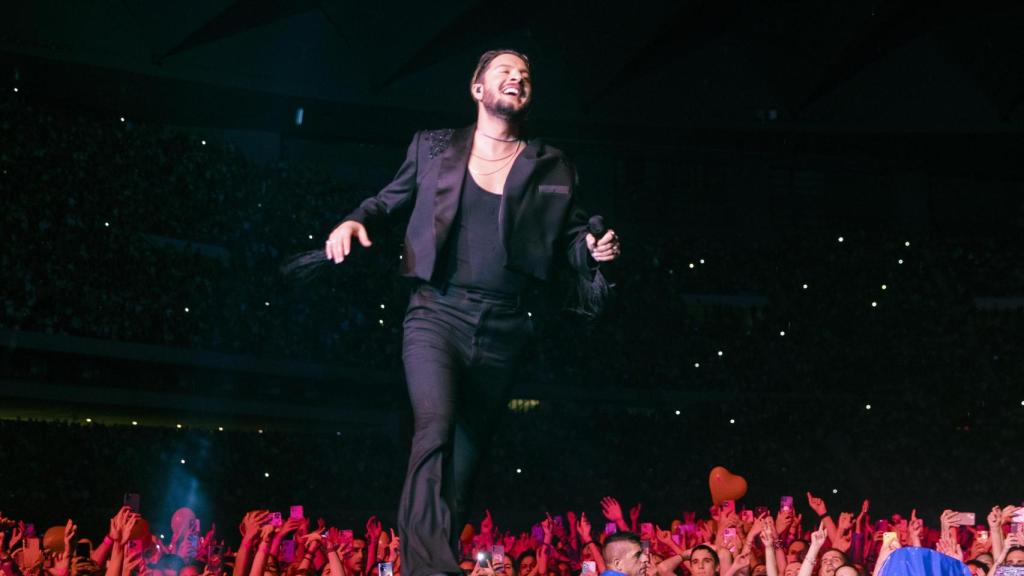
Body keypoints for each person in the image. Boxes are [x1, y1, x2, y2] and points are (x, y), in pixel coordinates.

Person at [324, 48, 620, 576]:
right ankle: (428, 567)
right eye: (504, 71)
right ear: (478, 89)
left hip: (506, 327)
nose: (517, 78)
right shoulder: (433, 146)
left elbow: (571, 237)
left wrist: (593, 250)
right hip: (436, 313)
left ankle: (435, 560)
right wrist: (351, 220)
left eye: (525, 75)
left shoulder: (553, 164)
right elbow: (386, 199)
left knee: (464, 458)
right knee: (433, 425)